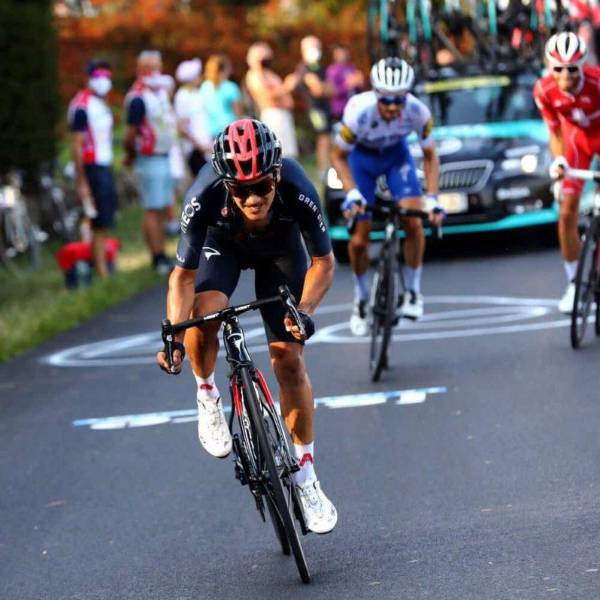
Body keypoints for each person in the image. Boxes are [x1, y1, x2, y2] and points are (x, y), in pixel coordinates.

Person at [155, 119, 337, 534]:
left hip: (281, 251)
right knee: (205, 315)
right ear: (225, 184)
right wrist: (175, 338)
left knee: (289, 360)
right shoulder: (203, 195)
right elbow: (182, 278)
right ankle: (207, 393)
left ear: (277, 175)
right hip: (223, 246)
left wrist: (304, 310)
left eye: (262, 187)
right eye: (240, 190)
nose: (253, 198)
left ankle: (306, 477)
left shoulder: (298, 187)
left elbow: (324, 263)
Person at [331, 57, 443, 336]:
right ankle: (361, 298)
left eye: (399, 100)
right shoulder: (358, 111)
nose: (393, 107)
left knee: (413, 221)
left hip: (396, 158)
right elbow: (338, 156)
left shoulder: (418, 111)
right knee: (359, 240)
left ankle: (413, 292)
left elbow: (430, 155)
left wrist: (432, 198)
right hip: (361, 161)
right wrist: (351, 192)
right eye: (386, 100)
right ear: (376, 93)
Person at [534, 32, 600, 313]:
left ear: (582, 65)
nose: (564, 76)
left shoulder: (597, 83)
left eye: (572, 69)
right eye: (558, 68)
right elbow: (555, 132)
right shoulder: (543, 90)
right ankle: (574, 284)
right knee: (566, 211)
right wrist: (559, 160)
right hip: (576, 141)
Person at [124, 50, 176, 274]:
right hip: (149, 157)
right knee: (153, 208)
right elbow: (130, 134)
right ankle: (157, 257)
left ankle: (162, 252)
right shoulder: (138, 98)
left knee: (162, 206)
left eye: (157, 66)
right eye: (149, 68)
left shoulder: (159, 93)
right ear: (140, 70)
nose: (155, 72)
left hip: (163, 155)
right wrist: (130, 154)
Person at [67, 59, 118, 278]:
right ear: (89, 78)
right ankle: (101, 271)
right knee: (98, 221)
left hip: (104, 164)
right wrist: (82, 182)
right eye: (99, 76)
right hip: (92, 167)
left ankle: (102, 264)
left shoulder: (100, 103)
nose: (104, 80)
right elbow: (76, 146)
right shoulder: (82, 106)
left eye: (107, 76)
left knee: (105, 219)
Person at [286, 36, 333, 180]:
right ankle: (322, 170)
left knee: (327, 138)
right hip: (315, 109)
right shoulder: (303, 68)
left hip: (324, 107)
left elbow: (331, 90)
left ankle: (327, 167)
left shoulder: (318, 67)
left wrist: (324, 88)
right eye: (313, 46)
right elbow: (319, 89)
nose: (316, 50)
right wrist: (324, 87)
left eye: (318, 46)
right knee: (324, 137)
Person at [244, 42, 299, 158]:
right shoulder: (254, 75)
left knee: (289, 153)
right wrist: (286, 87)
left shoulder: (270, 74)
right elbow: (266, 95)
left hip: (283, 114)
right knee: (279, 153)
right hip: (273, 115)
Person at [174, 58, 212, 178]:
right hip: (196, 150)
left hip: (206, 148)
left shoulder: (197, 93)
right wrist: (200, 146)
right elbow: (182, 128)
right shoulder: (182, 96)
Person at [200, 53, 244, 139]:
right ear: (225, 68)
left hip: (212, 130)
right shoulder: (231, 87)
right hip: (230, 130)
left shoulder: (205, 86)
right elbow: (239, 114)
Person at [325, 44, 364, 123]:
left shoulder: (351, 67)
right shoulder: (332, 70)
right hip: (340, 111)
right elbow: (331, 91)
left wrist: (359, 84)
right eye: (339, 53)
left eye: (344, 52)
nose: (343, 55)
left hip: (354, 108)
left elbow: (358, 89)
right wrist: (347, 85)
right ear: (334, 55)